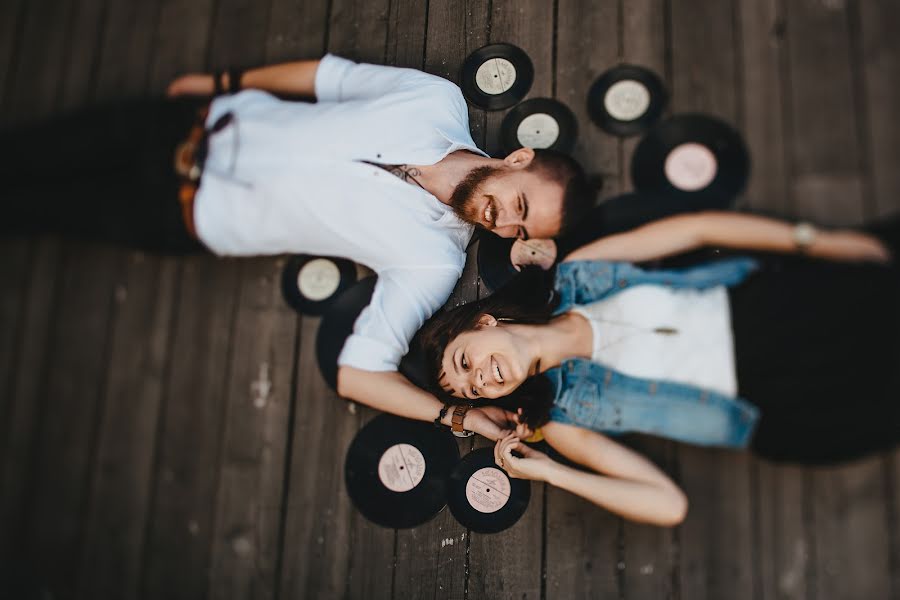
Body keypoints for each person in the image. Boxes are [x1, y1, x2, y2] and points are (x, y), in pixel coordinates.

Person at [2, 55, 594, 438]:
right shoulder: (436, 100)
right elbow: (325, 77)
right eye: (518, 205)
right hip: (194, 122)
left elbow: (359, 375)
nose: (504, 222)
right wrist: (225, 82)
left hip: (181, 217)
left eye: (520, 233)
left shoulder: (433, 261)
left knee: (30, 211)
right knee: (26, 151)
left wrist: (458, 414)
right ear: (517, 160)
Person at [419, 211, 900, 523]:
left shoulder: (580, 272)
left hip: (776, 307)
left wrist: (814, 238)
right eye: (473, 391)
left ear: (484, 323)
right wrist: (551, 473)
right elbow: (669, 505)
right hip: (784, 397)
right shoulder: (561, 419)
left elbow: (698, 230)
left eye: (466, 362)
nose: (480, 380)